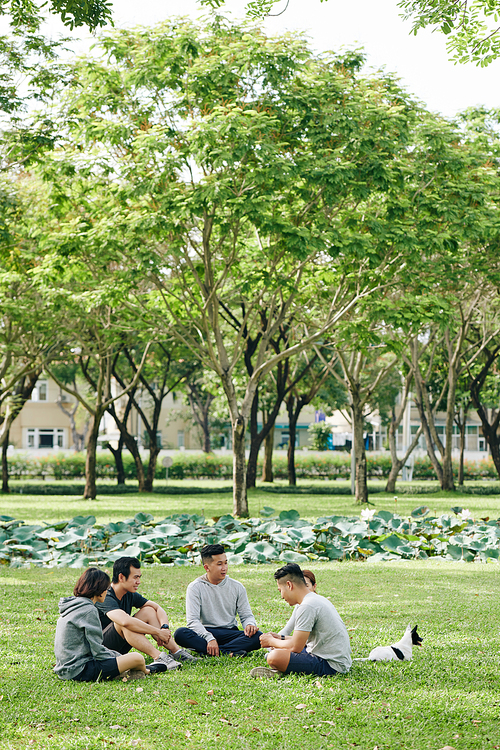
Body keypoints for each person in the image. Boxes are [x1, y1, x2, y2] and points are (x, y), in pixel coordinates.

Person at [97, 556, 197, 673]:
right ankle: (159, 656)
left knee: (148, 610)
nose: (138, 581)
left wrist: (164, 628)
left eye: (139, 577)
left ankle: (176, 652)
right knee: (124, 623)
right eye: (135, 577)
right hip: (101, 648)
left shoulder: (129, 594)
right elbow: (125, 621)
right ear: (121, 577)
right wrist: (158, 632)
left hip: (120, 646)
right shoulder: (106, 596)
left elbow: (157, 608)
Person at [250, 563, 351, 679]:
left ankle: (283, 669)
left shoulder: (307, 606)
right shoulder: (315, 599)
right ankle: (285, 669)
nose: (282, 596)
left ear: (289, 585)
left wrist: (271, 641)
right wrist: (280, 638)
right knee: (280, 648)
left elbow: (296, 647)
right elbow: (301, 641)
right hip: (332, 658)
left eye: (280, 590)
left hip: (331, 665)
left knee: (274, 657)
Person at [54, 567, 149, 682]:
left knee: (130, 660)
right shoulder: (88, 610)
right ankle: (145, 671)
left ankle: (129, 672)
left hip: (64, 670)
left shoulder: (73, 606)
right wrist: (120, 658)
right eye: (106, 588)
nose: (107, 592)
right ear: (99, 590)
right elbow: (98, 651)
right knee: (137, 658)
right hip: (80, 670)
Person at [174, 543, 262, 657]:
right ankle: (229, 652)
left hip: (230, 632)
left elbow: (246, 616)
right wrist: (209, 638)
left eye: (225, 563)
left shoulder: (237, 587)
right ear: (207, 567)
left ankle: (217, 652)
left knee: (258, 636)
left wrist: (250, 625)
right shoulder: (195, 587)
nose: (224, 568)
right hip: (205, 632)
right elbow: (193, 621)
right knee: (180, 634)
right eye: (219, 564)